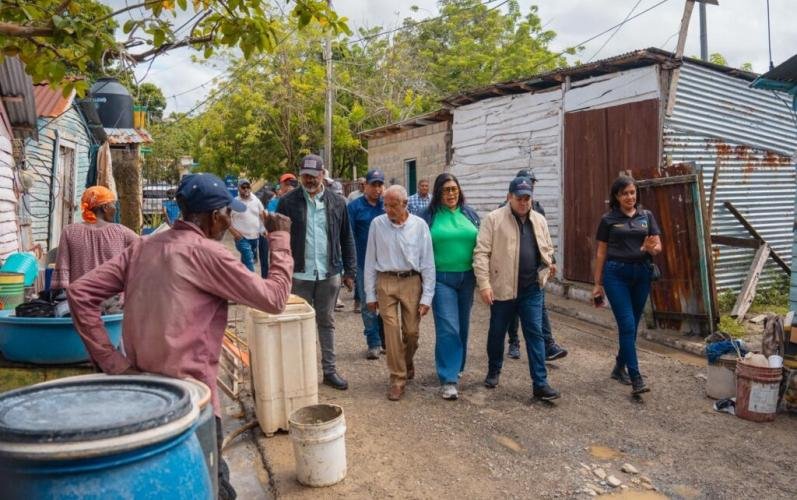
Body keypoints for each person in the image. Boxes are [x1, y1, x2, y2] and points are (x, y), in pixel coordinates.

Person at [68, 173, 294, 500]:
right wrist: (280, 240)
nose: (229, 221)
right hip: (191, 402)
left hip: (141, 397)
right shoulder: (208, 255)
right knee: (211, 485)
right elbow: (274, 299)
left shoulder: (142, 247)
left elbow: (79, 293)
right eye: (227, 214)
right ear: (215, 216)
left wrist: (113, 363)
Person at [473, 177, 560, 401]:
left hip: (531, 289)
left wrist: (548, 264)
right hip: (502, 289)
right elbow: (481, 253)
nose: (523, 202)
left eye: (527, 198)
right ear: (509, 196)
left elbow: (547, 246)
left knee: (535, 335)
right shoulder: (493, 219)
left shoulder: (539, 219)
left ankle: (540, 383)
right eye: (519, 197)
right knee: (496, 333)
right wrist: (484, 284)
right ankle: (494, 370)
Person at [276, 153, 356, 391]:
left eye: (313, 176)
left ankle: (329, 371)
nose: (309, 180)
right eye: (305, 176)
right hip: (299, 275)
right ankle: (298, 373)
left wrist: (350, 271)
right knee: (296, 324)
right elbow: (278, 240)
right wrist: (278, 273)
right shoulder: (287, 202)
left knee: (326, 322)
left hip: (328, 274)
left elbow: (347, 238)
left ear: (323, 174)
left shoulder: (338, 202)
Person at [364, 185, 435, 401]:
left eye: (393, 205)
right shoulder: (377, 224)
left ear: (405, 205)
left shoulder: (419, 226)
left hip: (412, 281)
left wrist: (427, 296)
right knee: (392, 330)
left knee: (412, 333)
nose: (388, 210)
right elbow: (369, 261)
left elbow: (428, 262)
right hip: (386, 282)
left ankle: (406, 361)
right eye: (386, 205)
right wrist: (370, 294)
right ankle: (397, 378)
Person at [593, 175, 662, 396]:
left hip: (642, 274)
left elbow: (657, 247)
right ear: (616, 196)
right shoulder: (608, 220)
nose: (630, 197)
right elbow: (601, 253)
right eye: (625, 193)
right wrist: (597, 284)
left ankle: (618, 368)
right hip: (616, 276)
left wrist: (651, 249)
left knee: (631, 326)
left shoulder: (647, 216)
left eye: (632, 192)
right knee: (628, 325)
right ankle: (636, 377)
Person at [420, 173, 480, 400]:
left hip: (468, 278)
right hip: (441, 279)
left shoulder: (470, 214)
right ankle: (448, 379)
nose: (451, 193)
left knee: (463, 326)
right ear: (438, 193)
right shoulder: (428, 216)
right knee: (448, 327)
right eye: (446, 190)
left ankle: (457, 365)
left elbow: (482, 243)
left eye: (454, 189)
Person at [503, 169, 568, 362]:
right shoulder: (505, 210)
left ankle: (548, 344)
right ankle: (514, 342)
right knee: (512, 310)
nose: (530, 185)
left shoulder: (538, 209)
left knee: (540, 309)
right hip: (511, 273)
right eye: (527, 181)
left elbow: (544, 239)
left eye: (532, 182)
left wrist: (551, 260)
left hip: (535, 272)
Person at [52, 186, 138, 292]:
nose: (115, 209)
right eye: (113, 205)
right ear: (105, 207)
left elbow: (62, 274)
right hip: (111, 301)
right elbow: (147, 246)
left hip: (80, 300)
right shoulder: (121, 232)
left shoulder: (69, 232)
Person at [347, 168, 386, 358]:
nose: (377, 189)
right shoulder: (354, 207)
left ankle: (384, 338)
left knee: (387, 303)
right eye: (374, 185)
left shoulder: (386, 205)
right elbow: (349, 236)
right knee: (368, 303)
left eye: (380, 185)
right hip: (364, 263)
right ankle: (373, 342)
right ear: (366, 186)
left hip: (386, 264)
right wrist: (350, 266)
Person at [229, 178, 266, 273]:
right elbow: (226, 220)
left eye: (248, 187)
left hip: (254, 237)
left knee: (247, 261)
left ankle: (242, 280)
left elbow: (261, 215)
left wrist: (263, 228)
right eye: (243, 187)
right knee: (248, 257)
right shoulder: (234, 202)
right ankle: (253, 283)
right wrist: (235, 234)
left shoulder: (256, 200)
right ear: (238, 188)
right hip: (241, 238)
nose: (246, 189)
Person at [256, 186, 276, 278]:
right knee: (267, 258)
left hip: (263, 234)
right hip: (264, 234)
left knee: (265, 258)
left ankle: (266, 277)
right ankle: (266, 277)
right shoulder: (264, 210)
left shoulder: (266, 209)